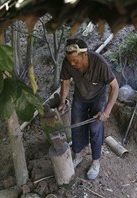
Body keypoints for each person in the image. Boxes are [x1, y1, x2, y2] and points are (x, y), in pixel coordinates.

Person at [58, 38, 119, 180]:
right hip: (80, 97)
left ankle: (96, 162)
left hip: (98, 98)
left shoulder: (99, 63)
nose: (72, 64)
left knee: (95, 128)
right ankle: (78, 155)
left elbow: (115, 87)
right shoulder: (68, 62)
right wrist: (62, 101)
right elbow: (66, 82)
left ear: (84, 55)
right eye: (70, 60)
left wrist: (106, 112)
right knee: (76, 126)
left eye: (75, 61)